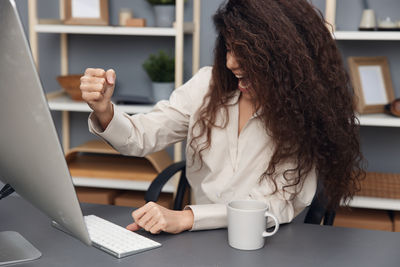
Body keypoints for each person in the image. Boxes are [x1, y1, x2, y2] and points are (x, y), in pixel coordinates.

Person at [80, 0, 365, 234]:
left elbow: (271, 205)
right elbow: (141, 136)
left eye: (246, 52)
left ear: (283, 59)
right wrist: (104, 108)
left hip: (266, 239)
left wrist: (187, 218)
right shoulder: (207, 85)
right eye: (229, 48)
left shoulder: (302, 115)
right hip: (198, 238)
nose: (230, 63)